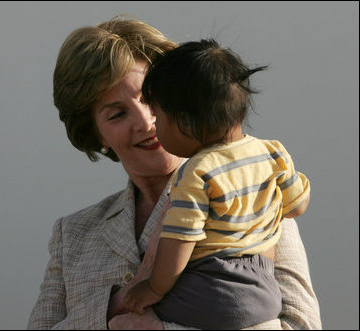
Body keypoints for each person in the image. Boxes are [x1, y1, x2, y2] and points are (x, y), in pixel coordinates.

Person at [27, 15, 322, 330]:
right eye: (117, 114)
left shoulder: (256, 192)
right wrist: (116, 304)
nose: (145, 122)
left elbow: (301, 325)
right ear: (95, 135)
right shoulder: (72, 235)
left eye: (150, 100)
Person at [123, 39, 310, 330]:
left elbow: (179, 243)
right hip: (265, 291)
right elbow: (297, 207)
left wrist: (153, 289)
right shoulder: (274, 152)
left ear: (185, 122)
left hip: (215, 290)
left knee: (138, 314)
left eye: (158, 118)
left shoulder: (198, 172)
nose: (153, 127)